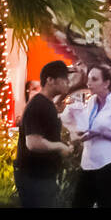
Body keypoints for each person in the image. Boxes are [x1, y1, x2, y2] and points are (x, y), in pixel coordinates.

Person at [69, 64, 111, 209]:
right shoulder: (92, 102)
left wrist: (103, 133)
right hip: (89, 164)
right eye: (89, 79)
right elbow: (88, 126)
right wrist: (80, 133)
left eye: (94, 79)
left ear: (107, 83)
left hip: (110, 163)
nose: (88, 83)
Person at [15, 61, 74, 207]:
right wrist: (60, 147)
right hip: (35, 177)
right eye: (64, 79)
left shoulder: (46, 104)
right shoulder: (39, 105)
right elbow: (33, 142)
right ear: (50, 80)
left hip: (41, 175)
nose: (68, 82)